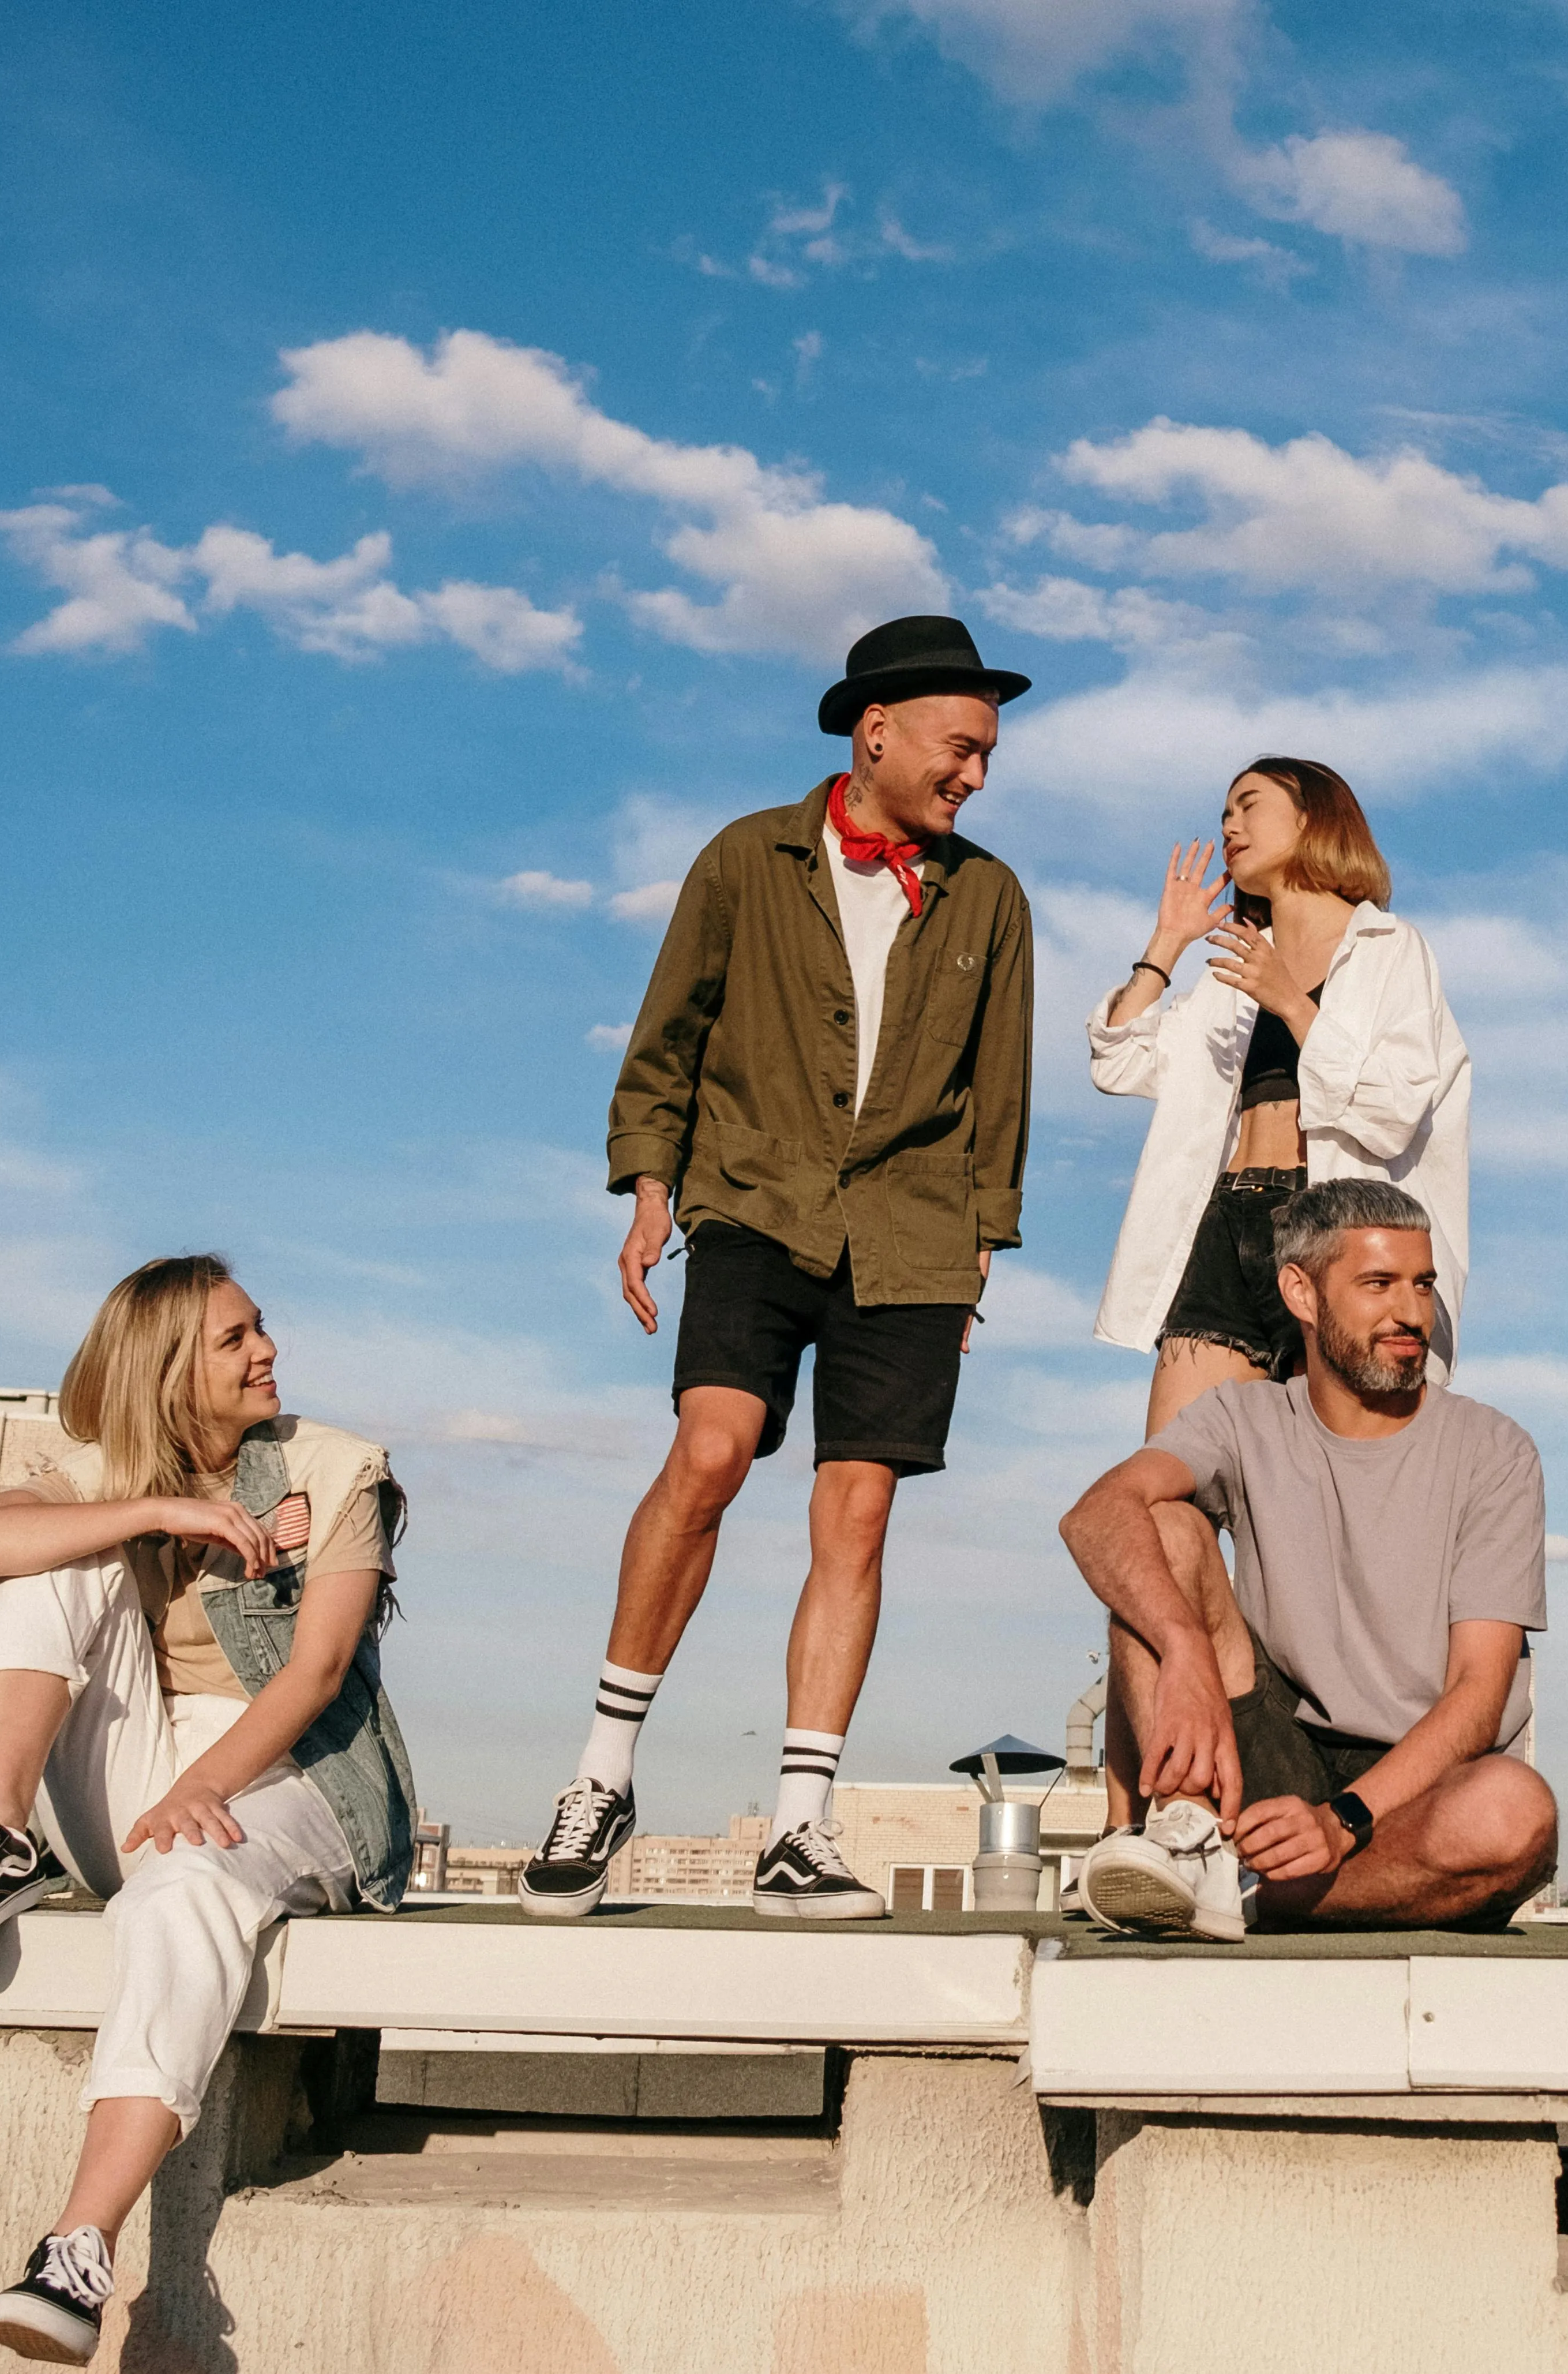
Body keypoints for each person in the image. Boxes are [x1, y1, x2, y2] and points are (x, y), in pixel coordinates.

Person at [518, 615, 1038, 1921]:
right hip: (754, 1198)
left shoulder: (991, 896)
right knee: (709, 1449)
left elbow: (1001, 1095)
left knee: (854, 1509)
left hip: (912, 1235)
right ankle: (600, 1775)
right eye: (961, 746)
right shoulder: (744, 859)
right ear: (878, 731)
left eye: (987, 754)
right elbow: (668, 1038)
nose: (976, 774)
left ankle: (799, 1825)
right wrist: (649, 1187)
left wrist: (975, 1249)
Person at [0, 1255, 415, 2367]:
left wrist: (206, 1782)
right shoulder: (100, 1470)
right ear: (168, 1368)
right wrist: (163, 1507)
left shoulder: (338, 1467)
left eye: (260, 1328)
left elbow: (315, 1673)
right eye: (234, 1338)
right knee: (41, 1559)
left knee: (186, 1887)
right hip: (137, 1768)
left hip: (296, 1772)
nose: (267, 1349)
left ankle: (77, 2246)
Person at [1083, 754, 1470, 1827]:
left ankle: (1304, 1793)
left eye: (1247, 805)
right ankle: (1146, 1818)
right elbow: (1120, 1060)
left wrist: (1294, 1001)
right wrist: (1164, 949)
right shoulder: (1223, 968)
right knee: (1152, 1512)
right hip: (1226, 1231)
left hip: (1337, 1238)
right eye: (1219, 809)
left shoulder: (1391, 952)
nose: (1226, 824)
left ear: (1316, 819)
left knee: (1316, 1538)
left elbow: (1392, 1107)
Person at [1058, 1178, 1555, 1938]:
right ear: (1301, 1291)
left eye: (1422, 1284)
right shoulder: (1242, 1417)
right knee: (1160, 1526)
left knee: (1514, 1811)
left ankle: (1237, 1891)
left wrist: (1346, 1820)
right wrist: (1186, 1647)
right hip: (1273, 1751)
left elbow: (1476, 1695)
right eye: (1377, 1283)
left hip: (1416, 1788)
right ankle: (1190, 1841)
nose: (1410, 1312)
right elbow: (1095, 1514)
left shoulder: (1494, 1450)